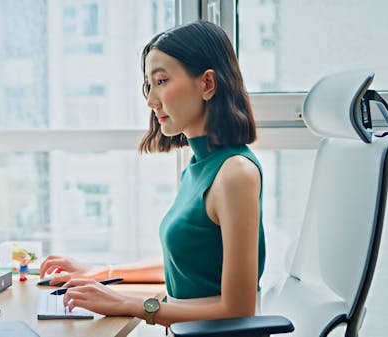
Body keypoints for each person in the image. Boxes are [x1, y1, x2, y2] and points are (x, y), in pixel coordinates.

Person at [39, 20, 265, 327]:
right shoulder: (199, 167)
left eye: (161, 81)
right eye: (149, 85)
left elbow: (238, 311)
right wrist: (101, 273)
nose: (151, 100)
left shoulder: (235, 173)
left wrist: (129, 305)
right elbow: (187, 265)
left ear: (207, 84)